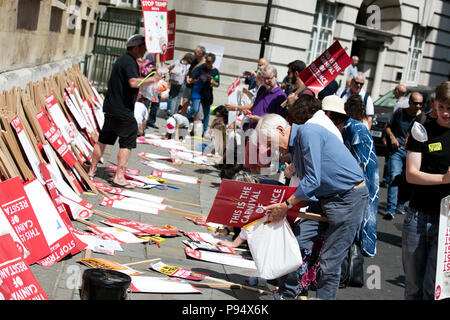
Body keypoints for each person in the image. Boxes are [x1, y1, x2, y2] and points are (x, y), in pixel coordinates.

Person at [257, 111, 369, 300]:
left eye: (271, 143)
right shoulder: (297, 144)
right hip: (326, 199)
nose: (273, 149)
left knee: (329, 263)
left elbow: (312, 180)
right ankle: (287, 295)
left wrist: (285, 205)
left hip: (348, 199)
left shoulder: (308, 133)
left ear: (280, 130)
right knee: (295, 244)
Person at [87, 34, 161, 188]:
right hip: (122, 110)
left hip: (112, 108)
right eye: (143, 48)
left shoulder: (123, 60)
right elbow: (133, 82)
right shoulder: (128, 62)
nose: (145, 52)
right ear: (136, 47)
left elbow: (132, 79)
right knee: (127, 142)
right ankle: (119, 176)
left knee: (103, 140)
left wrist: (148, 75)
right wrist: (153, 80)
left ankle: (92, 170)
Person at [402, 81, 450, 300]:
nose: (446, 113)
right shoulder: (421, 127)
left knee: (434, 288)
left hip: (446, 220)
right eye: (441, 107)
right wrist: (444, 178)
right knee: (413, 287)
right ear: (434, 104)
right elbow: (412, 174)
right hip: (418, 216)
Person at [323, 95, 379, 257]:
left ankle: (353, 262)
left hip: (362, 182)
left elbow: (360, 164)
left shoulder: (356, 128)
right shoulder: (337, 129)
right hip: (349, 182)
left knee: (362, 221)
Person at [384, 92, 424, 220]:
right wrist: (392, 137)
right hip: (397, 150)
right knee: (394, 176)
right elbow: (388, 127)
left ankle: (400, 204)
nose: (418, 106)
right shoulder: (400, 113)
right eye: (415, 103)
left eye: (420, 104)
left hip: (413, 154)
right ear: (409, 103)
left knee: (408, 181)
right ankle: (390, 208)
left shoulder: (423, 118)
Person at [184, 52, 220, 134]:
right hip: (197, 90)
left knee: (206, 113)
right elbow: (192, 78)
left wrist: (212, 81)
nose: (207, 63)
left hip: (207, 93)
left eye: (209, 62)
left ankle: (204, 132)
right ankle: (182, 119)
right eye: (206, 61)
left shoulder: (215, 71)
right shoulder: (201, 67)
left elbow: (217, 84)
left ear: (213, 62)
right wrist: (197, 79)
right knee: (194, 109)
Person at [180, 45, 206, 115]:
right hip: (189, 85)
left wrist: (194, 81)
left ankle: (189, 119)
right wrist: (187, 77)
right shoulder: (194, 60)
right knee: (185, 102)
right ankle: (181, 120)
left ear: (200, 54)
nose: (194, 54)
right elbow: (189, 71)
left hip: (197, 88)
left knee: (195, 108)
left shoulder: (205, 64)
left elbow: (203, 78)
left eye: (195, 52)